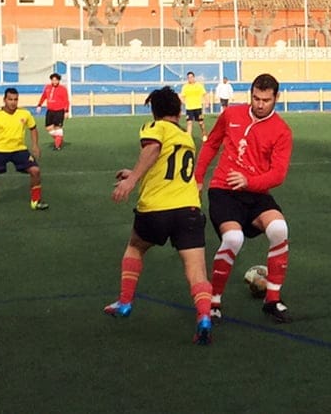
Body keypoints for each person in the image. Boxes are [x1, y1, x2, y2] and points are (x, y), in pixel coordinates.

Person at [104, 86, 213, 346]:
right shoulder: (186, 138)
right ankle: (204, 318)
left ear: (155, 111)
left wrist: (131, 180)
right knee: (196, 270)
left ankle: (125, 303)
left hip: (156, 209)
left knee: (134, 247)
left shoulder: (155, 128)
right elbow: (167, 167)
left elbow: (152, 150)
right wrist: (133, 171)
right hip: (188, 209)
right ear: (179, 110)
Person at [196, 73, 294, 323]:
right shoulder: (231, 115)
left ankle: (272, 299)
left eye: (266, 100)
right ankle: (214, 301)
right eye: (256, 98)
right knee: (233, 238)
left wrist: (250, 182)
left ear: (276, 98)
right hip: (223, 190)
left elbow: (278, 174)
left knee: (279, 229)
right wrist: (198, 177)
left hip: (256, 193)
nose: (260, 104)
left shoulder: (282, 131)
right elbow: (211, 145)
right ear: (250, 95)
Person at [0, 87, 49, 213]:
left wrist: (35, 145)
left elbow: (33, 128)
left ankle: (36, 201)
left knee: (35, 171)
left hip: (19, 150)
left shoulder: (25, 114)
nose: (13, 102)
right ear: (4, 100)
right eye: (10, 99)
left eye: (15, 99)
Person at [35, 72, 71, 150]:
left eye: (56, 80)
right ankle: (59, 138)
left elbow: (66, 101)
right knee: (48, 128)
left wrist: (66, 111)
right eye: (53, 80)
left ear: (58, 81)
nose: (54, 81)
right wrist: (39, 105)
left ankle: (57, 146)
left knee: (58, 127)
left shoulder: (63, 89)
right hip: (50, 111)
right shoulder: (47, 87)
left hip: (59, 111)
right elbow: (43, 96)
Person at [180, 71, 208, 142]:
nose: (190, 79)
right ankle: (189, 138)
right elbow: (182, 96)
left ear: (194, 77)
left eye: (191, 77)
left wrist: (206, 102)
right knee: (189, 123)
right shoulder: (185, 87)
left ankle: (204, 134)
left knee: (201, 123)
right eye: (188, 77)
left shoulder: (199, 86)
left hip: (198, 107)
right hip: (189, 108)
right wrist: (184, 102)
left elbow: (204, 94)